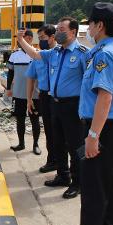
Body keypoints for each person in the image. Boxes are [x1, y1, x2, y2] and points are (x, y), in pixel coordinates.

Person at [55, 2, 113, 225]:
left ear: (100, 25)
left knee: (94, 185)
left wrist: (93, 136)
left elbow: (104, 97)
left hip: (103, 128)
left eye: (90, 23)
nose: (88, 28)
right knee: (110, 182)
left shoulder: (103, 54)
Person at [18, 17, 88, 199]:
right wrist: (20, 41)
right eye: (57, 29)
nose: (58, 32)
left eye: (62, 29)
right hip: (54, 103)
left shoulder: (83, 54)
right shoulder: (55, 52)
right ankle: (62, 175)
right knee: (58, 142)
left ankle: (78, 182)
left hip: (73, 106)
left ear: (73, 32)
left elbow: (90, 84)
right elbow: (34, 54)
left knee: (75, 145)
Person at [25, 24, 65, 173]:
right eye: (39, 37)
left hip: (60, 98)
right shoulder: (39, 57)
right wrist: (29, 99)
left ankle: (65, 166)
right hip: (44, 97)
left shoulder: (61, 54)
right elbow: (30, 78)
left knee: (62, 132)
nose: (40, 41)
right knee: (49, 130)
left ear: (52, 37)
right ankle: (52, 160)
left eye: (42, 38)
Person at [6, 29, 41, 154]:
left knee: (34, 119)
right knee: (20, 119)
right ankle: (21, 143)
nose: (20, 41)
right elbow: (10, 73)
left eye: (23, 37)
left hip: (35, 94)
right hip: (19, 93)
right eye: (19, 38)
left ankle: (36, 145)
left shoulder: (37, 54)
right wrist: (8, 88)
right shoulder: (14, 55)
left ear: (30, 39)